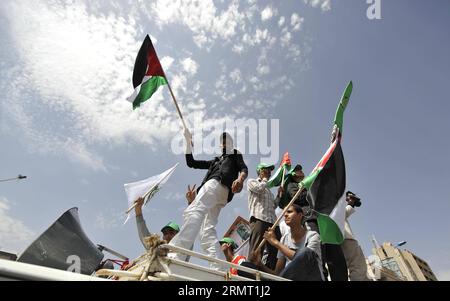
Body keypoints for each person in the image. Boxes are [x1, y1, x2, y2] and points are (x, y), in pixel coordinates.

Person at [169, 131, 248, 270]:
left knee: (194, 211)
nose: (224, 142)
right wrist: (188, 143)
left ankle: (176, 254)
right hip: (218, 194)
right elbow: (191, 163)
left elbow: (243, 168)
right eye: (222, 141)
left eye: (227, 140)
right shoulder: (215, 161)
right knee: (206, 231)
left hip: (218, 185)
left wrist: (240, 179)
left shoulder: (235, 154)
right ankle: (219, 267)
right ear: (219, 145)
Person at [248, 202, 324, 281]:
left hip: (313, 278)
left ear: (300, 215)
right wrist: (260, 264)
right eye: (284, 213)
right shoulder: (284, 239)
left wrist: (276, 243)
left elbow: (305, 260)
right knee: (245, 266)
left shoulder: (313, 236)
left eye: (289, 212)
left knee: (307, 252)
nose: (285, 215)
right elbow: (277, 274)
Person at [247, 163, 281, 270]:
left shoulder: (269, 192)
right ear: (260, 171)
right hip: (259, 219)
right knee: (256, 250)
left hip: (272, 223)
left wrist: (279, 196)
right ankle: (251, 274)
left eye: (269, 171)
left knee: (274, 251)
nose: (269, 172)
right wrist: (265, 180)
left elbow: (273, 206)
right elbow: (259, 189)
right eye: (266, 170)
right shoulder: (252, 182)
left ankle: (268, 274)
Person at [341, 191, 370, 281]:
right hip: (345, 238)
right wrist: (351, 202)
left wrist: (351, 203)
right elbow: (341, 214)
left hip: (329, 240)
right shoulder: (330, 201)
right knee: (358, 267)